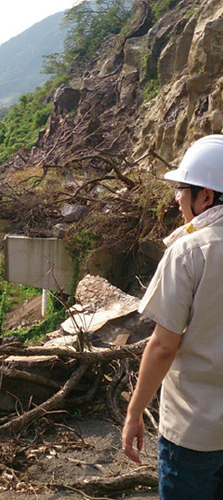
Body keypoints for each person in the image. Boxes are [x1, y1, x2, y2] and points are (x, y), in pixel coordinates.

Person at [122, 134, 223, 499]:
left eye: (182, 189)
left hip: (194, 434)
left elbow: (164, 346)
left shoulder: (190, 251)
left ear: (206, 196)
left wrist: (134, 413)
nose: (177, 199)